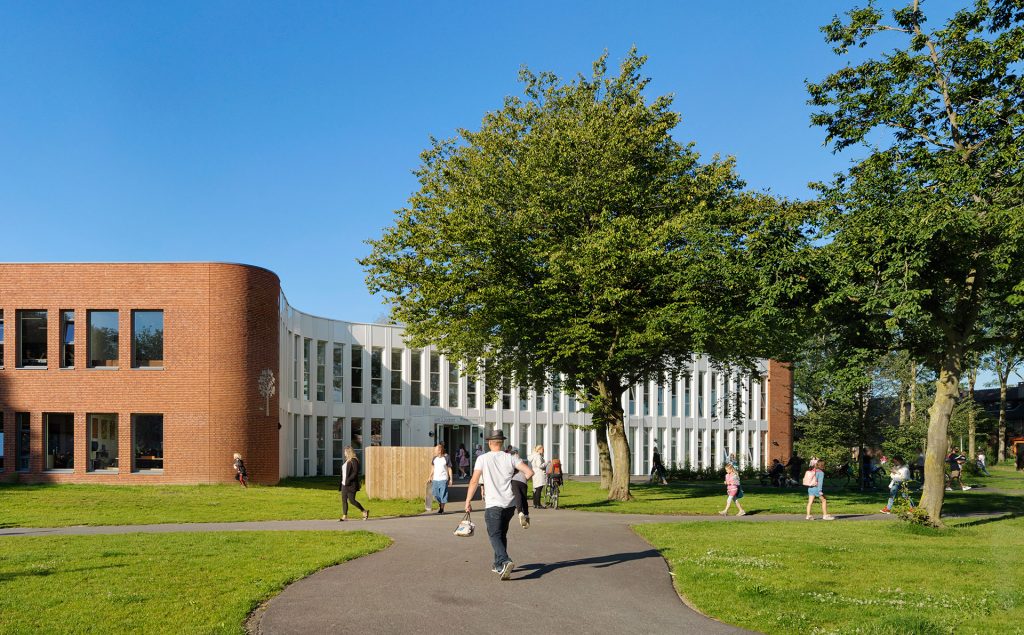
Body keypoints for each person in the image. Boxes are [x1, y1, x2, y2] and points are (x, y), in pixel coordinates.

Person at [465, 427, 534, 580]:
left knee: (494, 534)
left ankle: (505, 560)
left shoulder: (482, 459)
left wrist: (468, 500)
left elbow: (474, 481)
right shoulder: (511, 457)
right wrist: (515, 482)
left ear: (490, 442)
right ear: (502, 443)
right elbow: (529, 473)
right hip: (509, 504)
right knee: (501, 534)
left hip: (493, 504)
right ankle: (498, 565)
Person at [338, 446, 369, 521]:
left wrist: (348, 480)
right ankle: (345, 516)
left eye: (345, 451)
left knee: (352, 500)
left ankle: (364, 511)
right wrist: (343, 482)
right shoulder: (347, 461)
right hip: (344, 484)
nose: (344, 453)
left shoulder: (354, 460)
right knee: (344, 500)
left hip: (351, 484)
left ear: (348, 452)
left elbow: (355, 472)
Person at [427, 443, 453, 514]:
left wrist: (451, 479)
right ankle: (440, 504)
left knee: (443, 494)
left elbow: (449, 469)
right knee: (435, 494)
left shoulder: (446, 458)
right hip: (435, 479)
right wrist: (430, 476)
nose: (434, 451)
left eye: (435, 449)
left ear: (439, 450)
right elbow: (433, 468)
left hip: (443, 479)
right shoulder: (434, 459)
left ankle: (442, 508)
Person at [508, 448, 530, 528]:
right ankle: (527, 516)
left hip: (515, 480)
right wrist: (526, 478)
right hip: (523, 481)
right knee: (524, 498)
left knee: (518, 496)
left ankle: (520, 512)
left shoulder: (512, 461)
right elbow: (529, 472)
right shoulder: (521, 461)